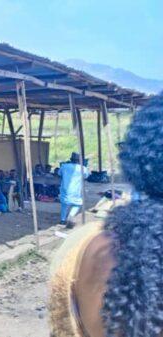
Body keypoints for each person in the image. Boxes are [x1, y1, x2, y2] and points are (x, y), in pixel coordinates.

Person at [49, 94, 163, 337]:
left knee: (66, 210)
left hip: (66, 194)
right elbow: (90, 172)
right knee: (75, 208)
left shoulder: (68, 167)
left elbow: (59, 169)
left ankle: (62, 221)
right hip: (77, 195)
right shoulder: (81, 168)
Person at [59, 152, 89, 227]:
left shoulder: (64, 166)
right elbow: (86, 176)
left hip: (65, 188)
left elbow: (59, 174)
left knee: (64, 204)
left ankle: (62, 220)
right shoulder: (83, 169)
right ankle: (71, 215)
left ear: (70, 159)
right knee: (78, 204)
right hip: (76, 189)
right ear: (80, 160)